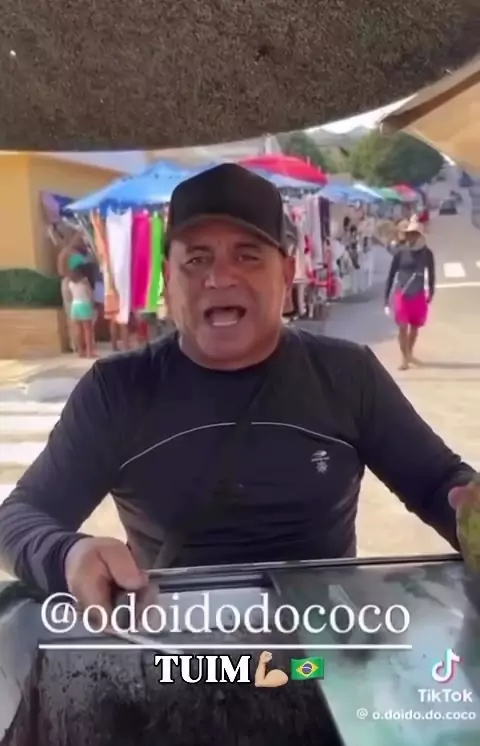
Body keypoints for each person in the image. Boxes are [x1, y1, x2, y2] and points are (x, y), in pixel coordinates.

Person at [0, 164, 476, 615]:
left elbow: (438, 483)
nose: (220, 277)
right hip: (178, 655)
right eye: (196, 259)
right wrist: (68, 554)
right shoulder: (117, 390)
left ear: (286, 273)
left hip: (319, 650)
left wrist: (468, 509)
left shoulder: (347, 374)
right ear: (167, 279)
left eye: (247, 256)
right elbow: (17, 518)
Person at [385, 220, 435, 370]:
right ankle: (405, 357)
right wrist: (386, 299)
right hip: (401, 293)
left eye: (414, 234)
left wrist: (431, 291)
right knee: (402, 327)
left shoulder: (427, 253)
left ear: (419, 235)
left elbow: (431, 274)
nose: (411, 237)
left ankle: (409, 353)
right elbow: (391, 274)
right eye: (409, 234)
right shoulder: (401, 252)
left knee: (414, 328)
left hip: (418, 293)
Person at [67, 255, 96, 358]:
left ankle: (80, 351)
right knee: (88, 330)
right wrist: (92, 305)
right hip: (85, 304)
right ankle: (89, 352)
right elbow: (90, 294)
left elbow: (70, 296)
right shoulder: (85, 280)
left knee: (78, 330)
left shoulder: (70, 282)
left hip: (74, 305)